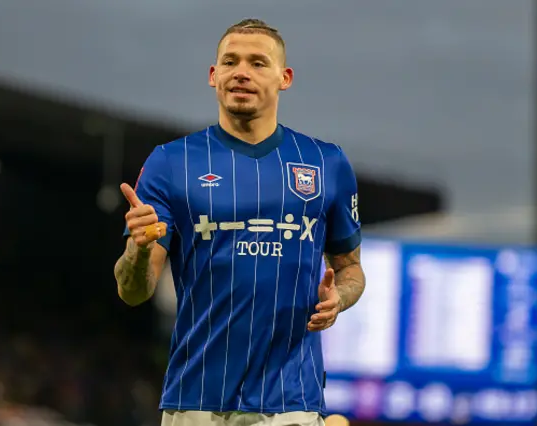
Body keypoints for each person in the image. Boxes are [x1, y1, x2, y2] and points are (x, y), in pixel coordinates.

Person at [114, 18, 366, 426]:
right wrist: (138, 250)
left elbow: (351, 270)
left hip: (292, 401)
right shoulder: (170, 162)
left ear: (284, 78)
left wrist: (340, 299)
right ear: (214, 76)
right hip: (194, 401)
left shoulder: (326, 163)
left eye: (258, 63)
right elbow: (133, 291)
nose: (242, 72)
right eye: (230, 62)